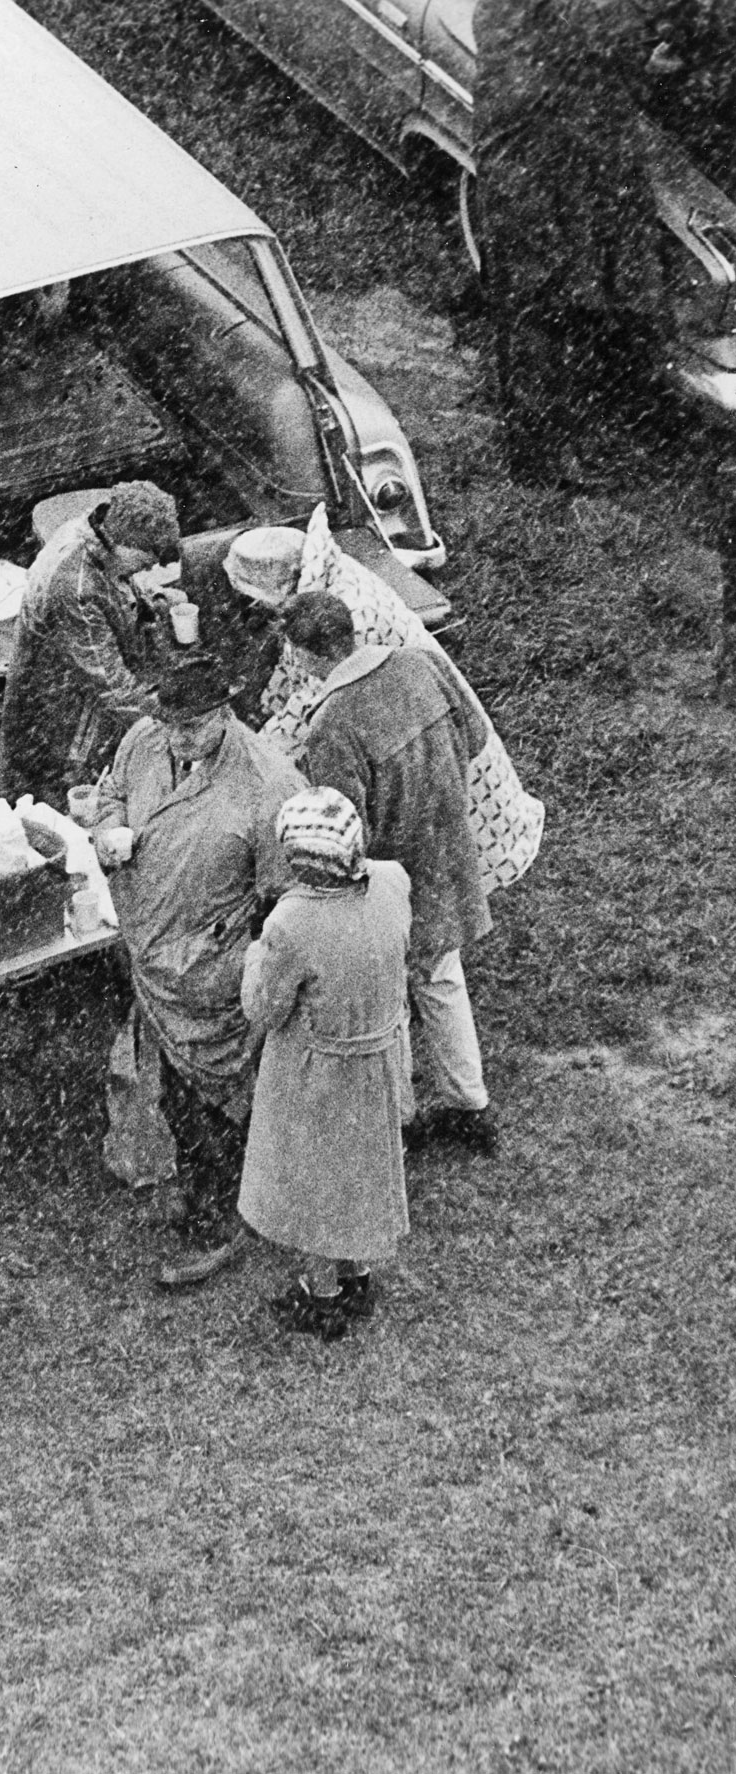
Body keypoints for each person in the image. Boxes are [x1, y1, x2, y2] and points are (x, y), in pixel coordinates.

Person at [90, 656, 306, 1287]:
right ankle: (203, 1190)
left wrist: (247, 972)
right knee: (176, 1094)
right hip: (149, 960)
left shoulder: (270, 787)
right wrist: (109, 828)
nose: (177, 739)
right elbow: (109, 791)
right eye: (170, 726)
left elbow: (284, 905)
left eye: (193, 727)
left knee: (222, 1094)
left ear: (225, 713)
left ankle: (228, 1214)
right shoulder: (143, 739)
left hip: (213, 977)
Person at [222, 512, 544, 897]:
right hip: (416, 701)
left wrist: (246, 760)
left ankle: (467, 882)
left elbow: (307, 706)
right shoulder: (328, 582)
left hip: (422, 717)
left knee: (450, 814)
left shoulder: (347, 616)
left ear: (284, 582)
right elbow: (294, 672)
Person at [285, 592, 500, 1154]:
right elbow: (476, 738)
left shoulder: (332, 722)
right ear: (350, 631)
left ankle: (397, 1123)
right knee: (443, 976)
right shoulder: (418, 661)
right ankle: (470, 1105)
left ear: (304, 655)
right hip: (448, 845)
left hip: (389, 873)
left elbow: (341, 829)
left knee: (389, 998)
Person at [240, 788, 415, 1342]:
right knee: (362, 1175)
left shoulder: (291, 923)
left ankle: (322, 1297)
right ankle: (358, 1275)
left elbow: (263, 1008)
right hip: (379, 1060)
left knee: (315, 1185)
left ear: (297, 860)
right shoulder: (392, 882)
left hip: (318, 1072)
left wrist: (252, 957)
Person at [474, 0, 673, 483]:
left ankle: (556, 446)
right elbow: (609, 35)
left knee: (556, 302)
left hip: (548, 149)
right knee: (540, 305)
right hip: (535, 156)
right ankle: (539, 460)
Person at [0, 480, 176, 809]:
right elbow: (112, 686)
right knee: (67, 802)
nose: (149, 570)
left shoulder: (102, 534)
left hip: (80, 690)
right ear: (122, 545)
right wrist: (170, 729)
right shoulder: (75, 588)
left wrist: (154, 606)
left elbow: (125, 588)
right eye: (144, 563)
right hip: (61, 710)